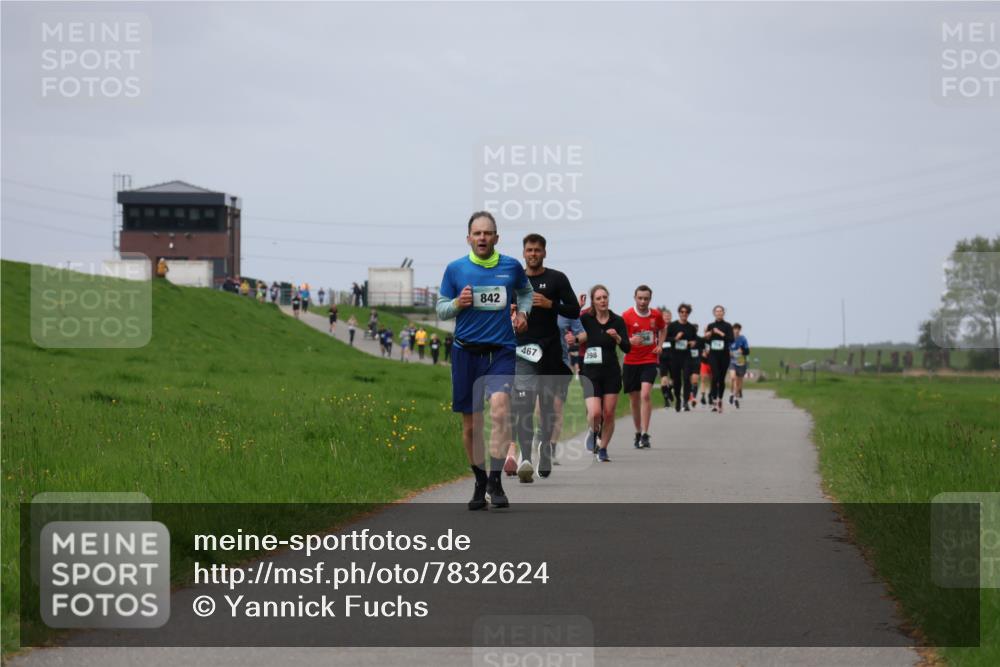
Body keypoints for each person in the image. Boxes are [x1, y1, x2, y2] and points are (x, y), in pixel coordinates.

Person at [436, 211, 532, 510]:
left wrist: (523, 313)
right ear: (468, 238)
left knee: (501, 411)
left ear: (496, 238)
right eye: (477, 233)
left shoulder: (511, 267)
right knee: (471, 426)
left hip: (501, 351)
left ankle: (495, 480)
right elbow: (440, 309)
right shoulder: (455, 270)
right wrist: (457, 303)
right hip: (466, 353)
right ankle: (479, 479)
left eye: (487, 233)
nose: (482, 238)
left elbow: (525, 293)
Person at [511, 233, 580, 483]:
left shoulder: (557, 278)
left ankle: (545, 450)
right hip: (523, 350)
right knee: (524, 406)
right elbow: (503, 312)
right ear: (523, 253)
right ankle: (526, 458)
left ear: (544, 253)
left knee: (548, 407)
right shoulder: (514, 280)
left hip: (550, 350)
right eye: (529, 250)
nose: (533, 254)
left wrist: (551, 304)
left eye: (537, 250)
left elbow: (574, 309)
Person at [575, 285, 630, 463]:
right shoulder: (586, 319)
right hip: (590, 371)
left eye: (605, 297)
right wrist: (577, 308)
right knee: (594, 413)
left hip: (611, 371)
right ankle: (593, 431)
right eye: (598, 298)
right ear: (593, 301)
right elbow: (571, 326)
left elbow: (627, 347)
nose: (602, 300)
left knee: (609, 413)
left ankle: (603, 448)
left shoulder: (617, 320)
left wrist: (617, 338)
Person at [622, 285, 665, 449]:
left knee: (645, 395)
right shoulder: (626, 315)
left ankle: (646, 434)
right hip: (631, 361)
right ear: (635, 298)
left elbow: (663, 328)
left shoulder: (656, 315)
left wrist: (659, 345)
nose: (642, 301)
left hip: (649, 359)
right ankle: (638, 432)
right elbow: (621, 337)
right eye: (640, 298)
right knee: (634, 400)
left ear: (650, 299)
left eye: (646, 298)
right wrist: (629, 341)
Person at [665, 303, 698, 412]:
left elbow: (695, 340)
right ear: (679, 313)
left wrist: (693, 343)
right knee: (677, 380)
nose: (684, 314)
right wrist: (675, 338)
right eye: (682, 312)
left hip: (686, 357)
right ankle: (678, 399)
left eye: (686, 312)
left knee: (686, 379)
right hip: (674, 356)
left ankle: (685, 401)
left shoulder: (691, 327)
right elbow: (666, 339)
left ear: (688, 314)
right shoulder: (673, 326)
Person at [704, 305, 735, 412]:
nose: (719, 313)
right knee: (715, 376)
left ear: (723, 313)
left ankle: (720, 399)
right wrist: (708, 334)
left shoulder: (728, 326)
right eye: (717, 311)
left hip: (724, 355)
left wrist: (720, 333)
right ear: (714, 313)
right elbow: (706, 340)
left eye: (721, 311)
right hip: (713, 355)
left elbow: (731, 339)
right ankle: (713, 399)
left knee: (721, 379)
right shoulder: (710, 325)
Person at [729, 323, 750, 408]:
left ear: (740, 330)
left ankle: (735, 397)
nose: (736, 330)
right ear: (732, 330)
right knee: (733, 378)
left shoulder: (743, 339)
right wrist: (728, 353)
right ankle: (731, 394)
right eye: (735, 329)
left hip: (741, 361)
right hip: (732, 361)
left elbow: (747, 351)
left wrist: (743, 351)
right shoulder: (729, 339)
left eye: (738, 329)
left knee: (739, 381)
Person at [657, 308, 674, 408]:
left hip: (673, 357)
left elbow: (678, 339)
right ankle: (666, 399)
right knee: (664, 379)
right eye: (665, 316)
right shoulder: (658, 328)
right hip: (662, 357)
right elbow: (658, 338)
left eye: (668, 316)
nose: (667, 317)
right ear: (662, 317)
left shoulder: (674, 327)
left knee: (673, 379)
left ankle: (669, 390)